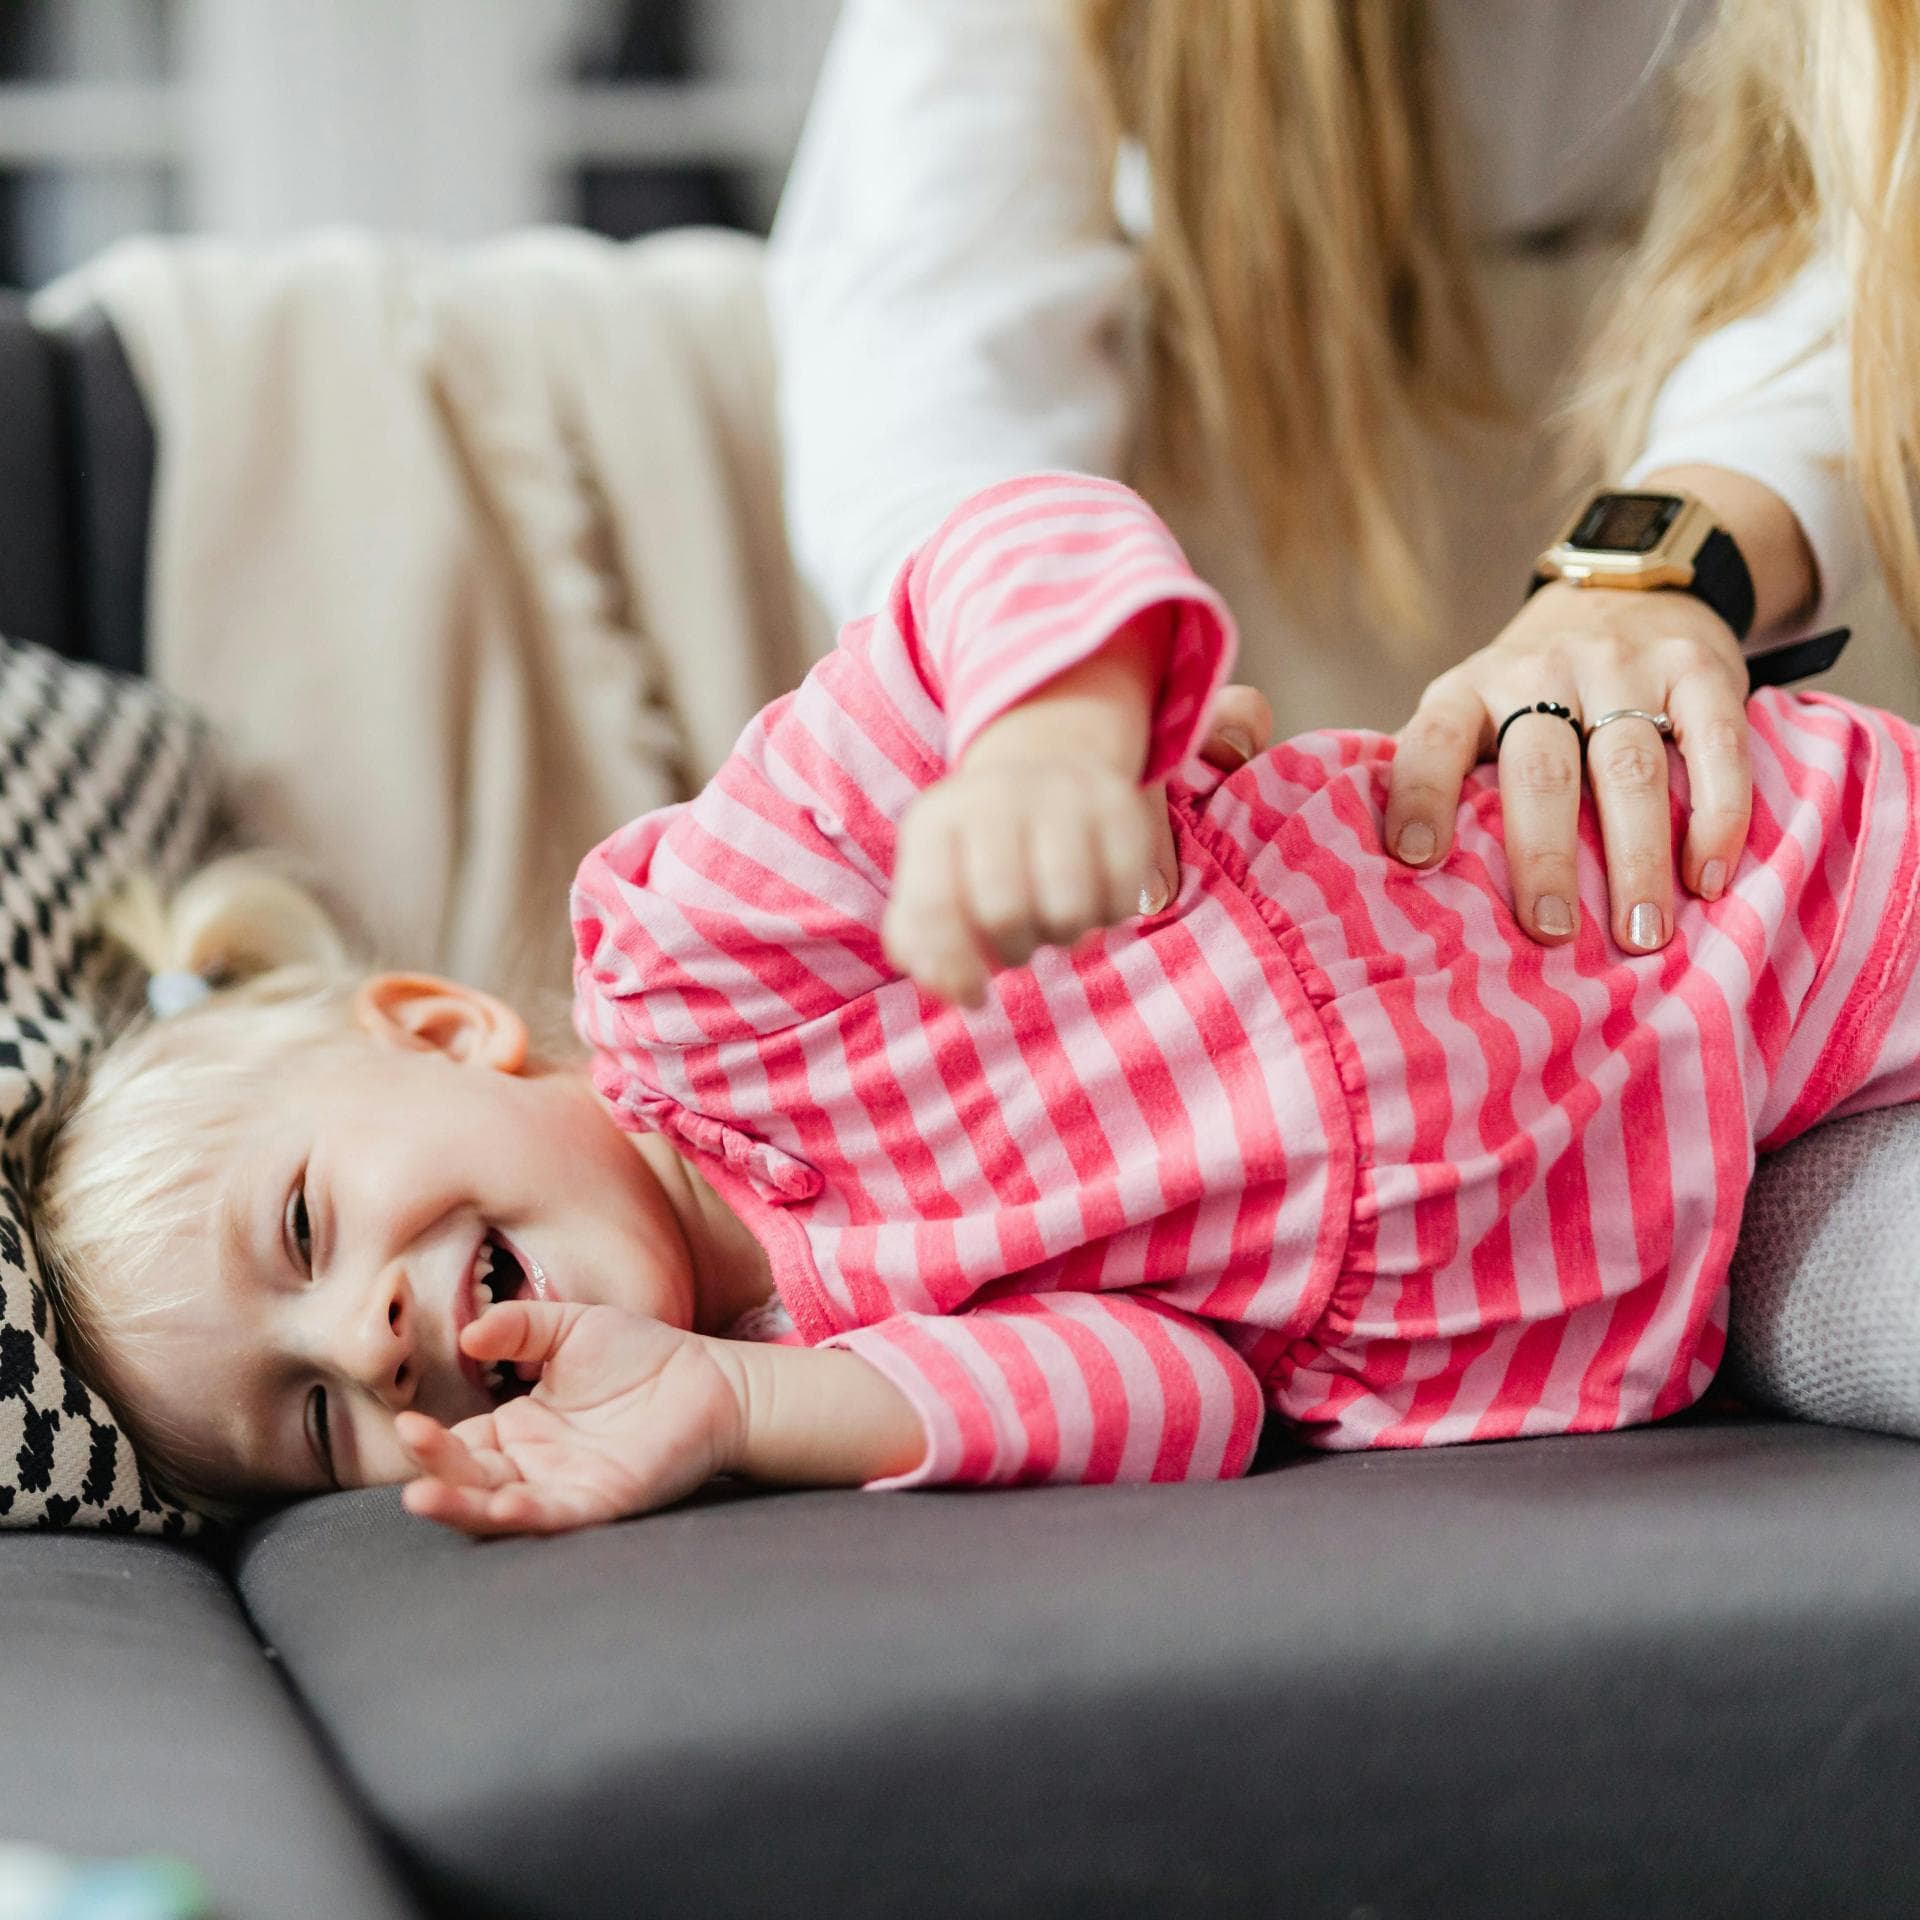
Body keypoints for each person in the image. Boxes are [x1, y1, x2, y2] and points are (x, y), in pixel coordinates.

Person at [32, 474, 1920, 1534]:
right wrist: (741, 1402)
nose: (366, 1347)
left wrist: (1041, 746)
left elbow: (1009, 546)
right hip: (1706, 1244)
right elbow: (1187, 1396)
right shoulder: (808, 1369)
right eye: (315, 1422)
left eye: (304, 1229)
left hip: (1739, 901)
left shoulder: (701, 966)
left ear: (444, 1031)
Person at [768, 0, 1881, 965]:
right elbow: (931, 316)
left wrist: (1654, 571)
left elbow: (1879, 220)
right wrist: (1049, 665)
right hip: (1240, 512)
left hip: (1772, 492)